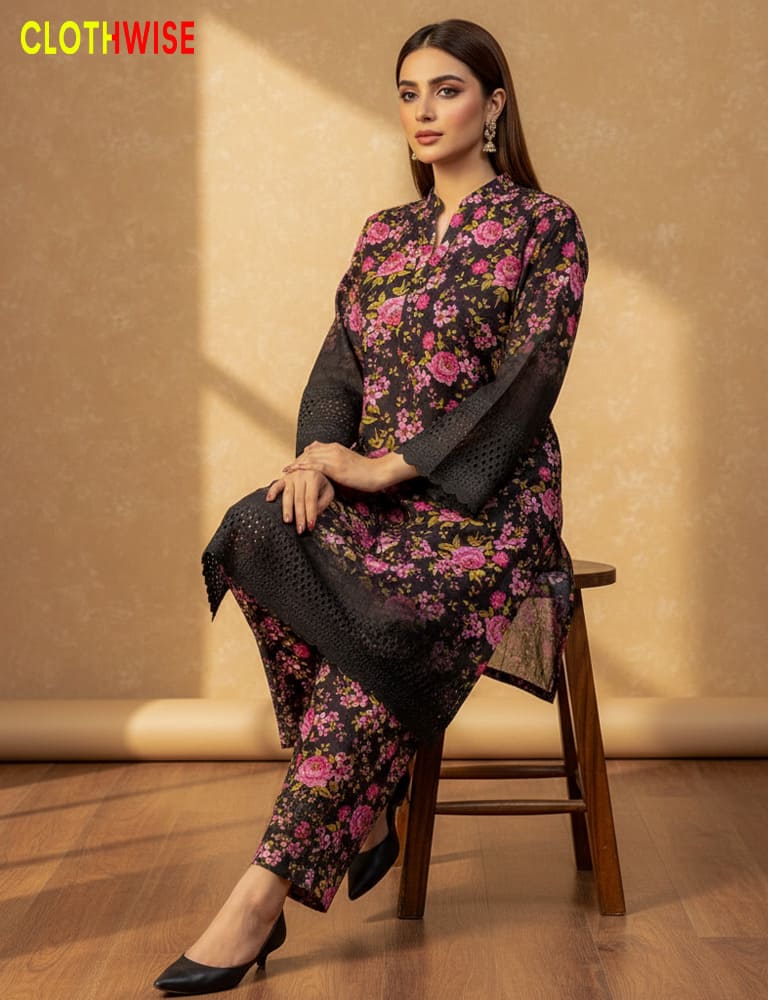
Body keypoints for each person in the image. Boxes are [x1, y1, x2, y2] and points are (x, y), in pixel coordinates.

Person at [154, 17, 588, 996]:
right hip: (379, 499)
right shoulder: (385, 234)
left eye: (447, 90)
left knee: (389, 630)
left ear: (494, 103)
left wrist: (390, 466)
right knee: (259, 523)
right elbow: (339, 361)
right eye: (408, 93)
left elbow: (531, 379)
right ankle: (364, 798)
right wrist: (317, 457)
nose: (424, 112)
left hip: (489, 509)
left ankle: (262, 894)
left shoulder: (543, 224)